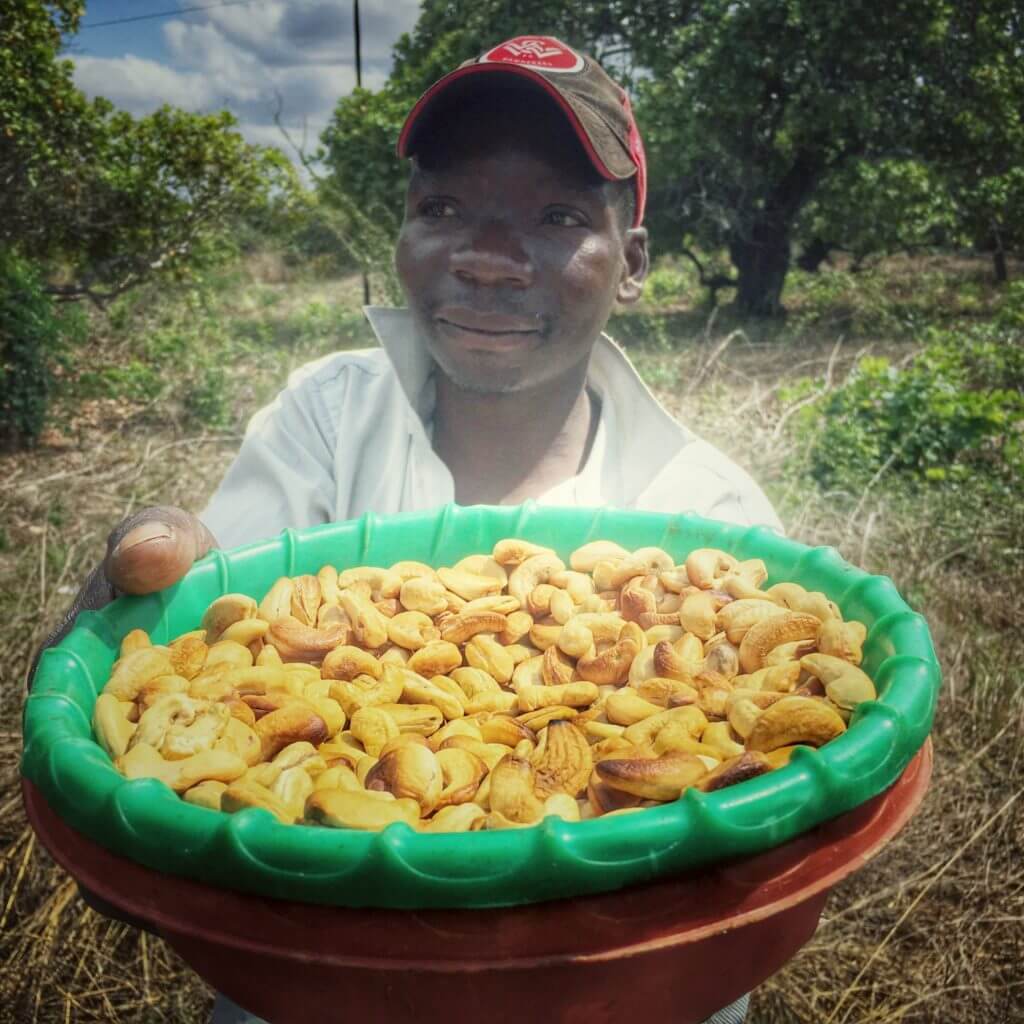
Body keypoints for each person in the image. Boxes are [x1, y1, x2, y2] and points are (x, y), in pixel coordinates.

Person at [38, 36, 778, 1024]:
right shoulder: (332, 415)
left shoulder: (712, 519)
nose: (486, 257)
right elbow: (203, 648)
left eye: (557, 215)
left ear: (631, 264)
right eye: (443, 209)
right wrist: (112, 754)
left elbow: (763, 854)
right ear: (400, 234)